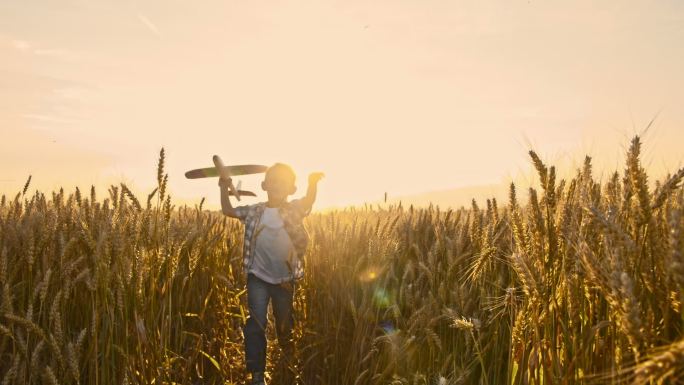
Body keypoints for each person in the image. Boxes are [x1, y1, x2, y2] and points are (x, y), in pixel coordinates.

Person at [219, 163, 324, 385]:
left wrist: (312, 184)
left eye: (282, 182)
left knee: (285, 324)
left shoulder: (294, 209)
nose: (277, 185)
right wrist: (223, 188)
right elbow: (229, 210)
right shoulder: (255, 211)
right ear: (264, 185)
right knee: (256, 323)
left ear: (291, 189)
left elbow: (308, 201)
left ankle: (287, 361)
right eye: (273, 181)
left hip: (284, 279)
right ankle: (257, 374)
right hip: (257, 277)